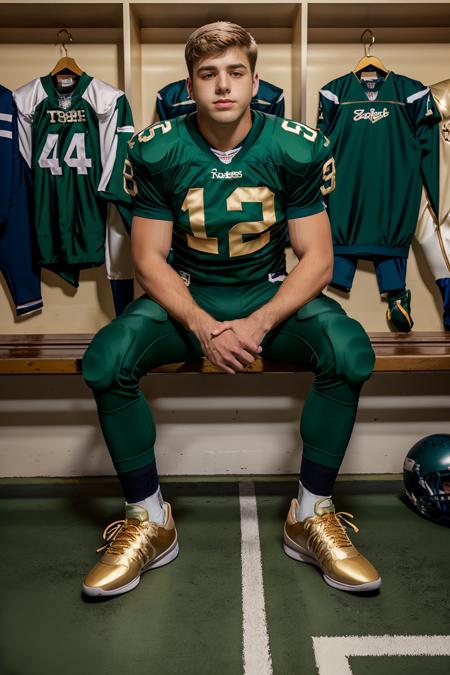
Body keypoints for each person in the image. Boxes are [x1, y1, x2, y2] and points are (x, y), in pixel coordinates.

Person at [81, 21, 381, 597]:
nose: (223, 86)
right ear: (190, 85)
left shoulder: (294, 145)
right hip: (187, 297)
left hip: (268, 296)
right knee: (105, 360)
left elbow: (317, 260)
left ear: (255, 80)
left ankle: (311, 513)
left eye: (235, 73)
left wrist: (257, 322)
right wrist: (204, 325)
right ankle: (150, 521)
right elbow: (147, 260)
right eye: (208, 74)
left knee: (350, 351)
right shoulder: (159, 147)